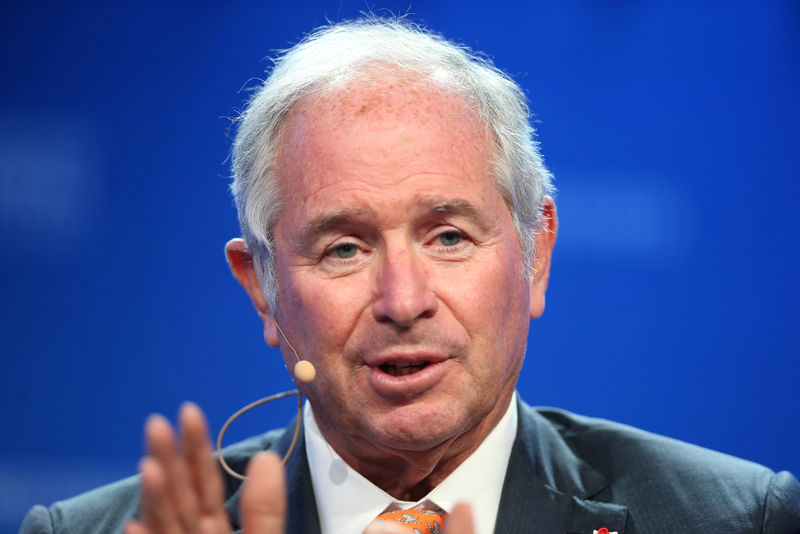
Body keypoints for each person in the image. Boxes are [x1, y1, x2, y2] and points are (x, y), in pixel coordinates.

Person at [19, 17, 800, 534]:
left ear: (537, 255)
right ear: (260, 286)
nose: (404, 300)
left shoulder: (736, 520)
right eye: (344, 249)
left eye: (449, 236)